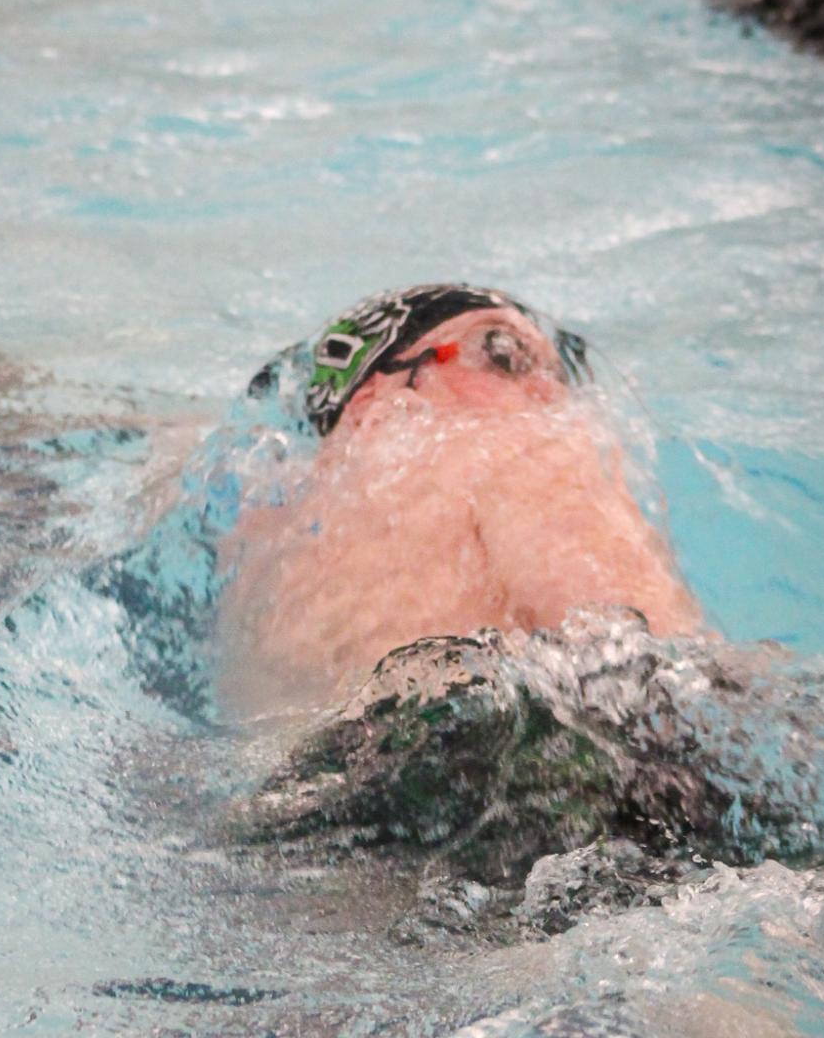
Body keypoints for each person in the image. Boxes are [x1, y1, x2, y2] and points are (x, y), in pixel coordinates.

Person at [216, 284, 702, 722]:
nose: (549, 392)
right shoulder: (506, 443)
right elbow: (660, 668)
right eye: (504, 354)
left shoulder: (259, 543)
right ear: (374, 392)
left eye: (559, 376)